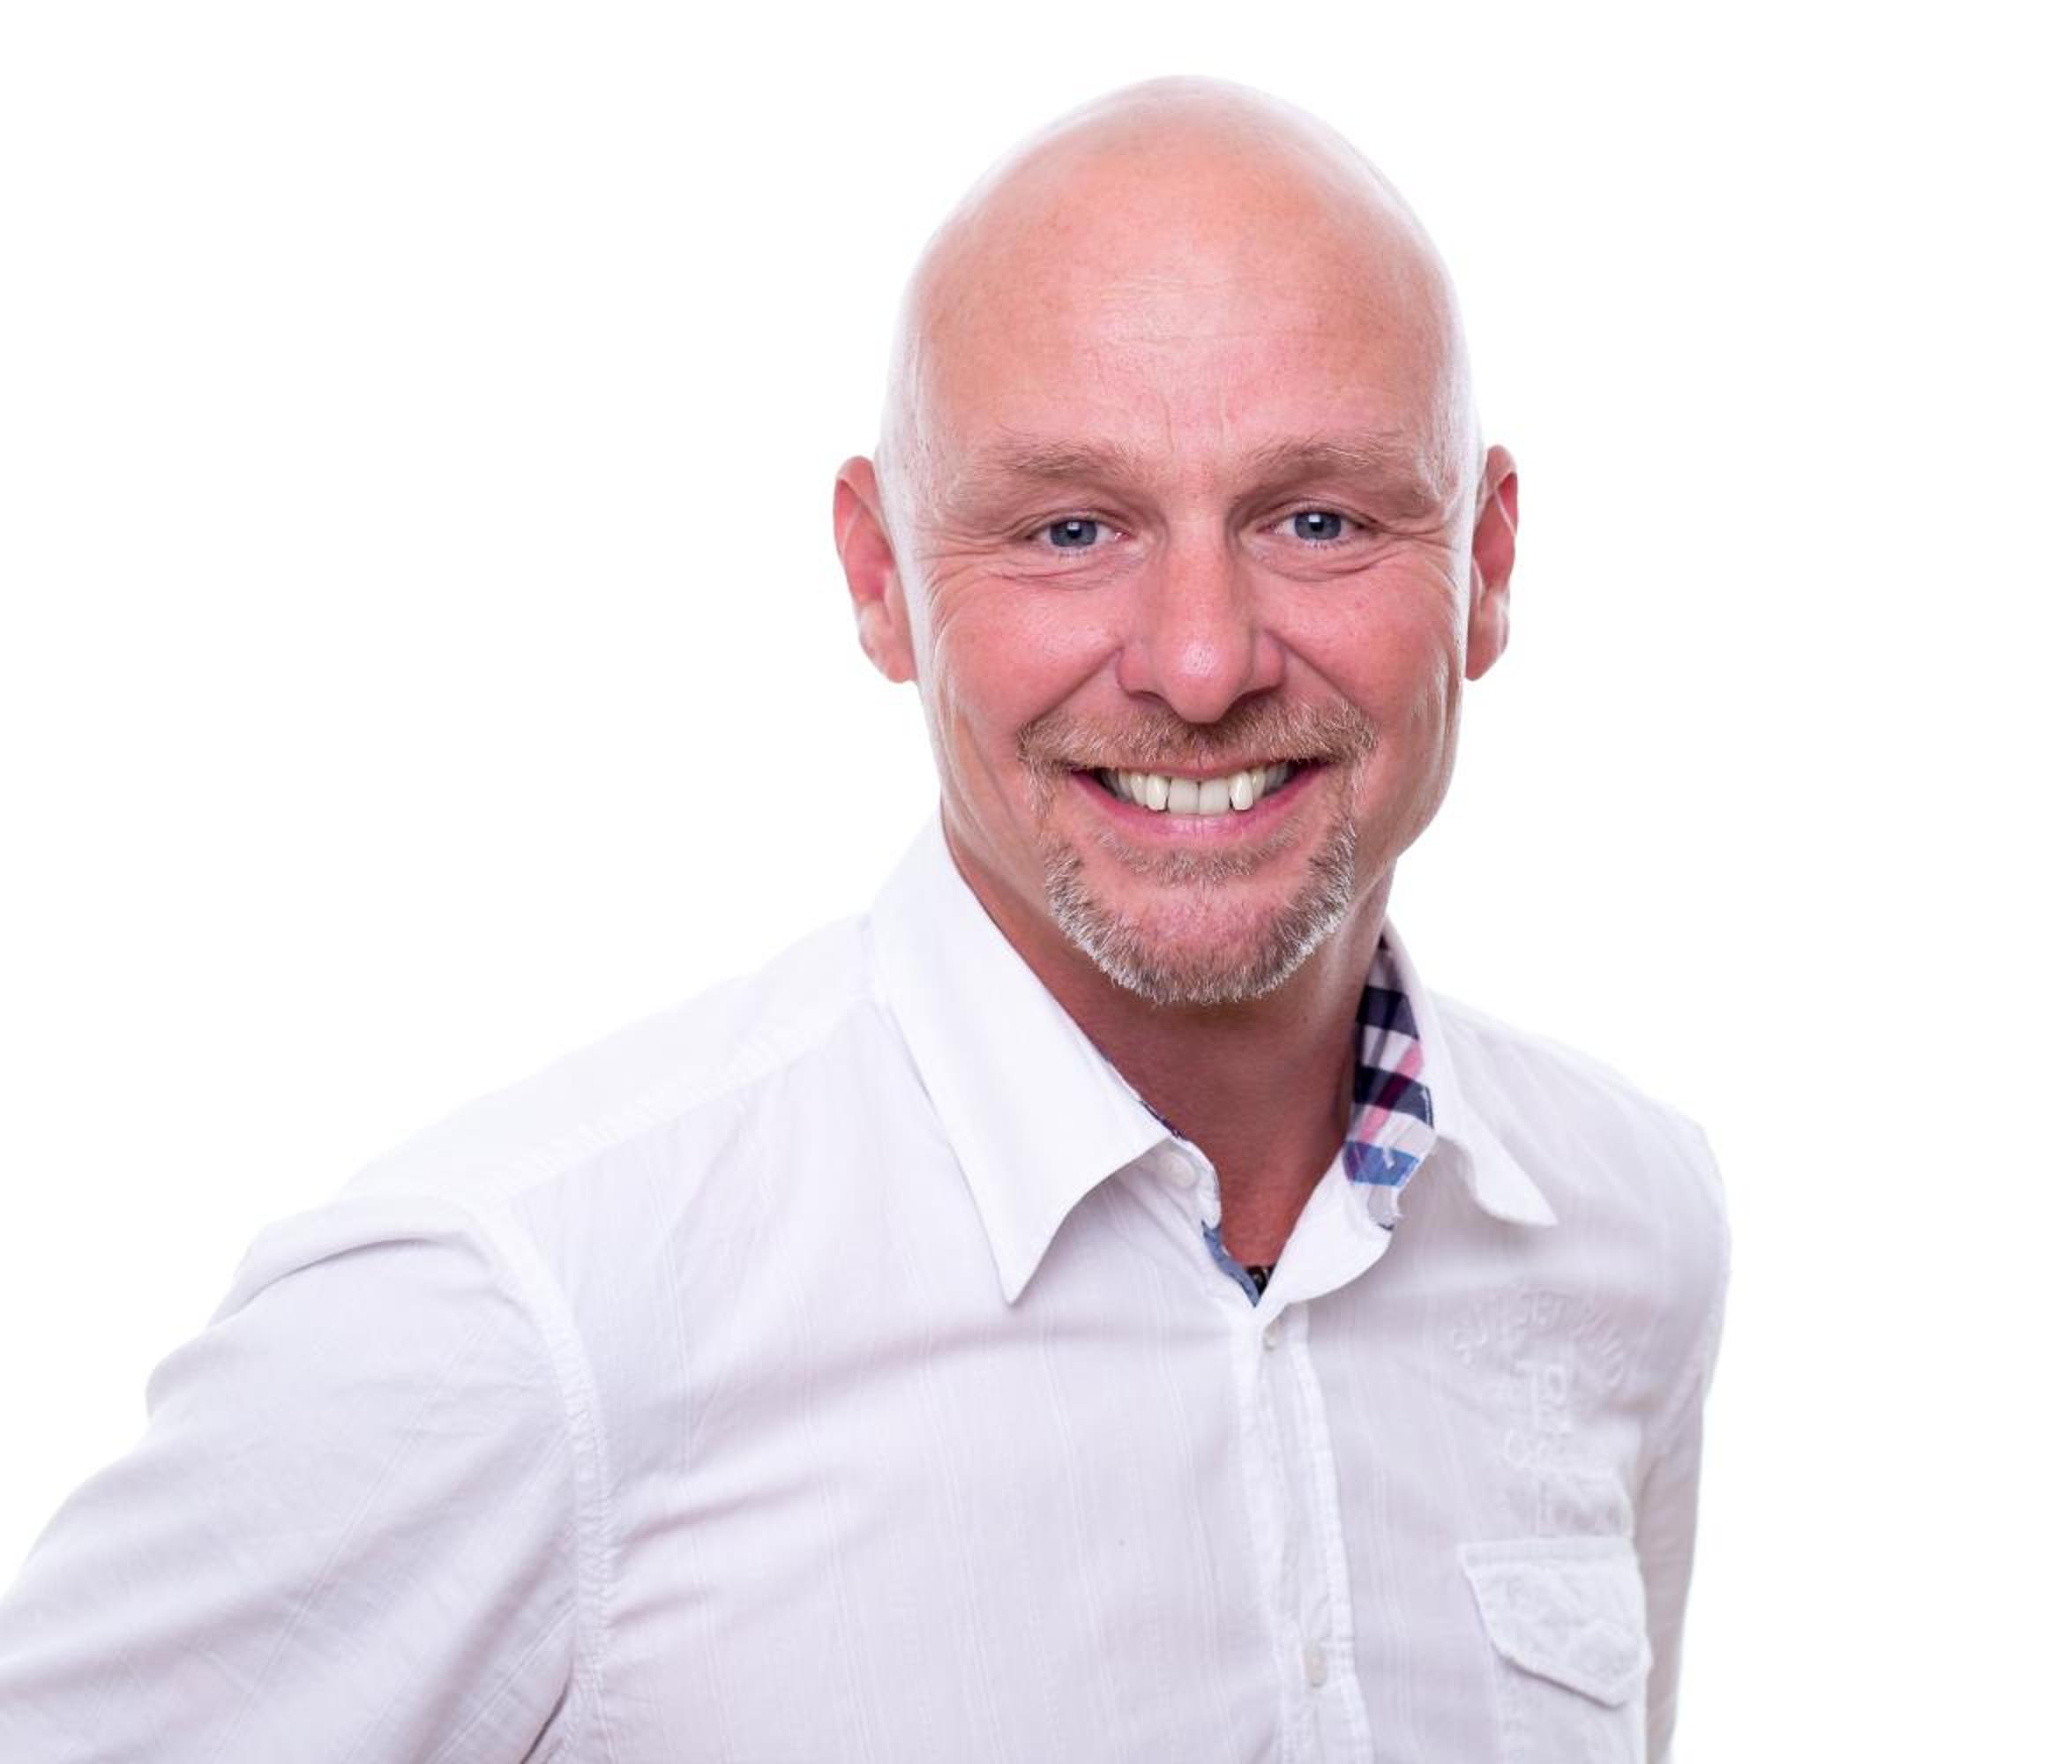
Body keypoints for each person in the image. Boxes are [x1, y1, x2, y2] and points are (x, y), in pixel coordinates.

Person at [0, 77, 1729, 1761]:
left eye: (1319, 518)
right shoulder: (511, 1324)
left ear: (1486, 564)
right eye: (1071, 528)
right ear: (880, 579)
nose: (1201, 662)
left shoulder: (1626, 1232)